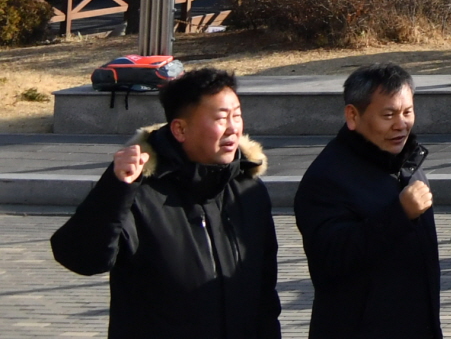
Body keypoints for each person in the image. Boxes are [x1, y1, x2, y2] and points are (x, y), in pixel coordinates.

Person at [52, 64, 281, 339]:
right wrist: (115, 188)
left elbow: (265, 295)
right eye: (221, 118)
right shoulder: (139, 191)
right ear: (180, 129)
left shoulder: (248, 191)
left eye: (237, 115)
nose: (233, 128)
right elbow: (82, 258)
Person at [294, 62, 442, 339]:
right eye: (388, 115)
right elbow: (331, 261)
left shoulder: (408, 164)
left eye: (408, 112)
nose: (401, 124)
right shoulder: (326, 179)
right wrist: (399, 215)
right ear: (353, 115)